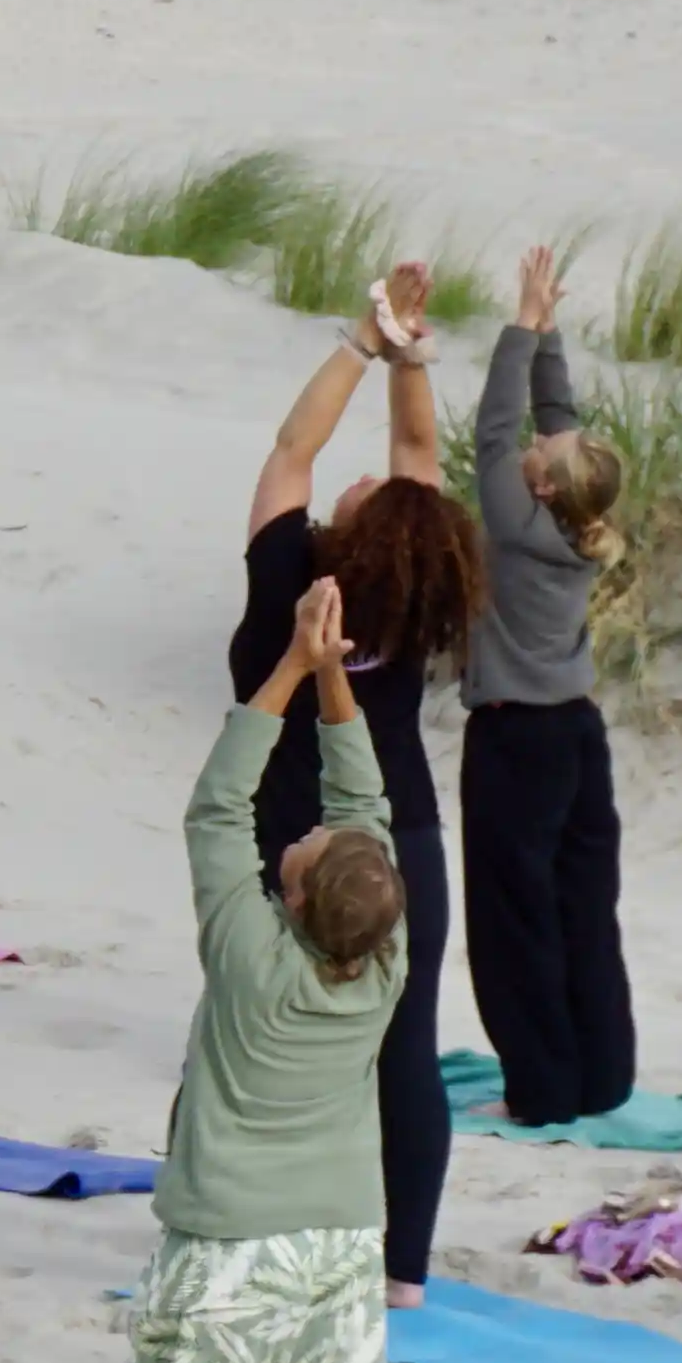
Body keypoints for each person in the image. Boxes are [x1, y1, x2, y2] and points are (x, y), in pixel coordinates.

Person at [127, 577, 402, 1363]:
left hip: (230, 1245)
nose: (313, 830)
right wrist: (333, 669)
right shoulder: (380, 961)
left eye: (309, 849)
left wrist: (292, 664)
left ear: (295, 897)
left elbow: (215, 805)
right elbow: (364, 796)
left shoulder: (248, 953)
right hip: (340, 1246)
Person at [230, 266, 478, 1300]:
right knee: (402, 1050)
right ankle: (402, 1271)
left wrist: (361, 343)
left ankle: (258, 1232)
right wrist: (410, 354)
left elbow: (296, 448)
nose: (379, 480)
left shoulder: (289, 576)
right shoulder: (418, 598)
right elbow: (416, 457)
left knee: (258, 1038)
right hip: (401, 834)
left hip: (293, 831)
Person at [460, 252, 638, 1126]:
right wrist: (548, 327)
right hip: (577, 734)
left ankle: (542, 1088)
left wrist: (519, 329)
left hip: (516, 738)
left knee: (514, 916)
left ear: (539, 485)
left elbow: (496, 427)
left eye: (545, 452)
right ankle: (601, 1078)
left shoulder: (518, 523)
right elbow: (556, 422)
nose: (541, 437)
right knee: (582, 903)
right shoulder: (578, 515)